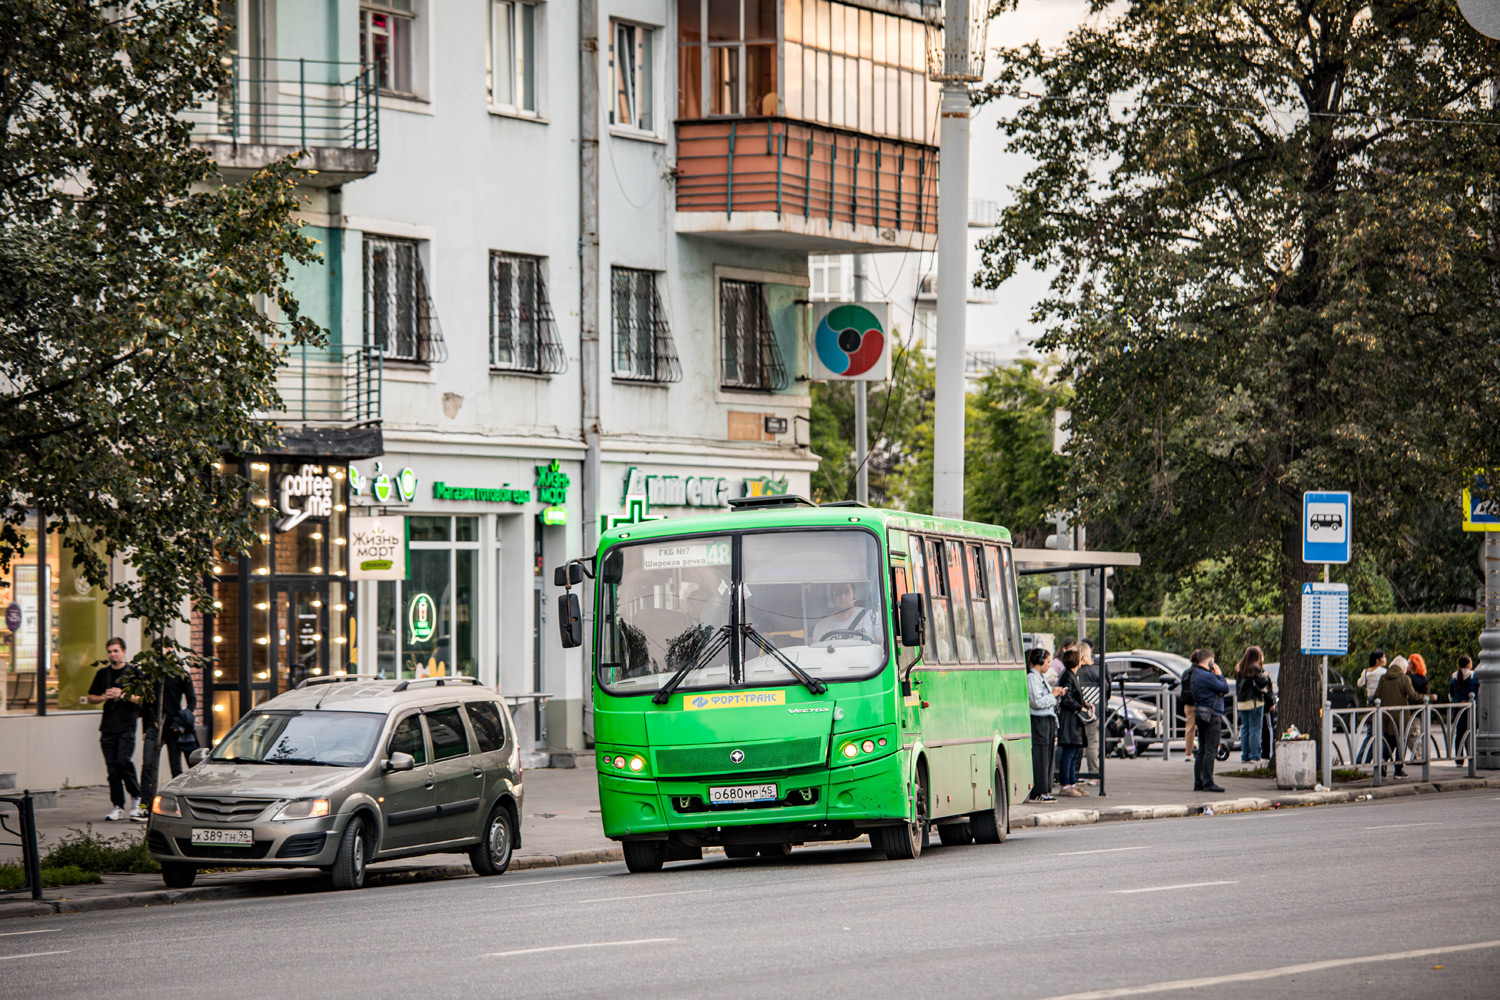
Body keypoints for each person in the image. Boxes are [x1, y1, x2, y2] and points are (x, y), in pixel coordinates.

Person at [85, 637, 143, 821]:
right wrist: (104, 696)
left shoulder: (134, 672)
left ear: (124, 651)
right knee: (112, 769)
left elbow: (144, 699)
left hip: (127, 725)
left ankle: (137, 797)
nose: (113, 654)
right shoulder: (103, 673)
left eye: (116, 651)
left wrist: (123, 694)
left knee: (123, 762)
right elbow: (90, 697)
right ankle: (117, 805)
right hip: (108, 726)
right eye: (110, 651)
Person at [138, 665, 200, 818]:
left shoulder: (180, 674)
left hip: (173, 726)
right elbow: (146, 704)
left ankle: (178, 806)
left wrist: (183, 719)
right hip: (154, 725)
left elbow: (192, 700)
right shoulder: (150, 675)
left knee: (176, 767)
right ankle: (145, 804)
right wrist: (145, 728)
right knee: (147, 765)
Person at [1374, 655, 1423, 778]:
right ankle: (1398, 770)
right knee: (1401, 743)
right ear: (1403, 667)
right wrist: (1429, 698)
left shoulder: (1383, 678)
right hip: (1401, 717)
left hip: (1386, 716)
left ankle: (1382, 764)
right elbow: (1413, 695)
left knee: (1389, 742)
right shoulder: (1404, 678)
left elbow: (1377, 696)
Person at [1026, 647, 1064, 801]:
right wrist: (1053, 696)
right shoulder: (1032, 678)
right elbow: (1036, 702)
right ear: (1039, 662)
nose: (1049, 665)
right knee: (1041, 755)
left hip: (1047, 719)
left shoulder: (1040, 678)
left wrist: (1055, 694)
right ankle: (1039, 790)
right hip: (1039, 719)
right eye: (1048, 662)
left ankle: (1045, 789)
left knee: (1048, 755)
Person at [1189, 648, 1229, 793]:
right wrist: (1219, 674)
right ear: (1210, 661)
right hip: (1212, 715)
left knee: (1202, 749)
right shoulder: (1207, 676)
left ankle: (1198, 782)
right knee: (1210, 750)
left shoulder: (1195, 674)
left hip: (1201, 714)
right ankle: (1208, 782)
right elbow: (1224, 688)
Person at [1055, 649, 1092, 797]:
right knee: (1069, 753)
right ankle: (1066, 785)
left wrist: (1085, 704)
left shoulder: (1070, 675)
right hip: (1070, 720)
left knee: (1073, 752)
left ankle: (1072, 783)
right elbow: (1067, 698)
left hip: (1073, 720)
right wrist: (1081, 707)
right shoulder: (1068, 677)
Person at [1234, 646, 1272, 764]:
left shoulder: (1240, 668)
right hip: (1255, 702)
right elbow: (1262, 684)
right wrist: (1264, 676)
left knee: (1245, 728)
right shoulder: (1255, 669)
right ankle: (1255, 755)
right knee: (1255, 728)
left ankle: (1245, 755)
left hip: (1242, 702)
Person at [810, 582, 876, 643]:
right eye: (838, 593)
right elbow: (817, 653)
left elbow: (882, 644)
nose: (842, 597)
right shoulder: (821, 627)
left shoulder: (871, 616)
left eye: (847, 592)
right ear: (832, 598)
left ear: (854, 596)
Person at [1077, 641, 1101, 783]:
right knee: (1092, 744)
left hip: (1077, 713)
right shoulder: (1097, 671)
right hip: (1094, 713)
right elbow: (1106, 689)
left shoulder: (1076, 672)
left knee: (1077, 744)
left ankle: (1074, 772)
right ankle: (1094, 774)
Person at [1451, 655, 1479, 766]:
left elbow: (1452, 693)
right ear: (1468, 664)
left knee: (1459, 733)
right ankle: (1472, 757)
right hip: (1470, 708)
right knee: (1471, 732)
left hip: (1458, 708)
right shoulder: (1473, 675)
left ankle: (1459, 759)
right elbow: (1477, 689)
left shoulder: (1454, 676)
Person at [1179, 653, 1202, 758]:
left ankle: (1188, 753)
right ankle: (1202, 750)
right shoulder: (1202, 672)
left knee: (1189, 728)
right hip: (1201, 703)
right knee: (1203, 727)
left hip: (1188, 704)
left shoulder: (1186, 672)